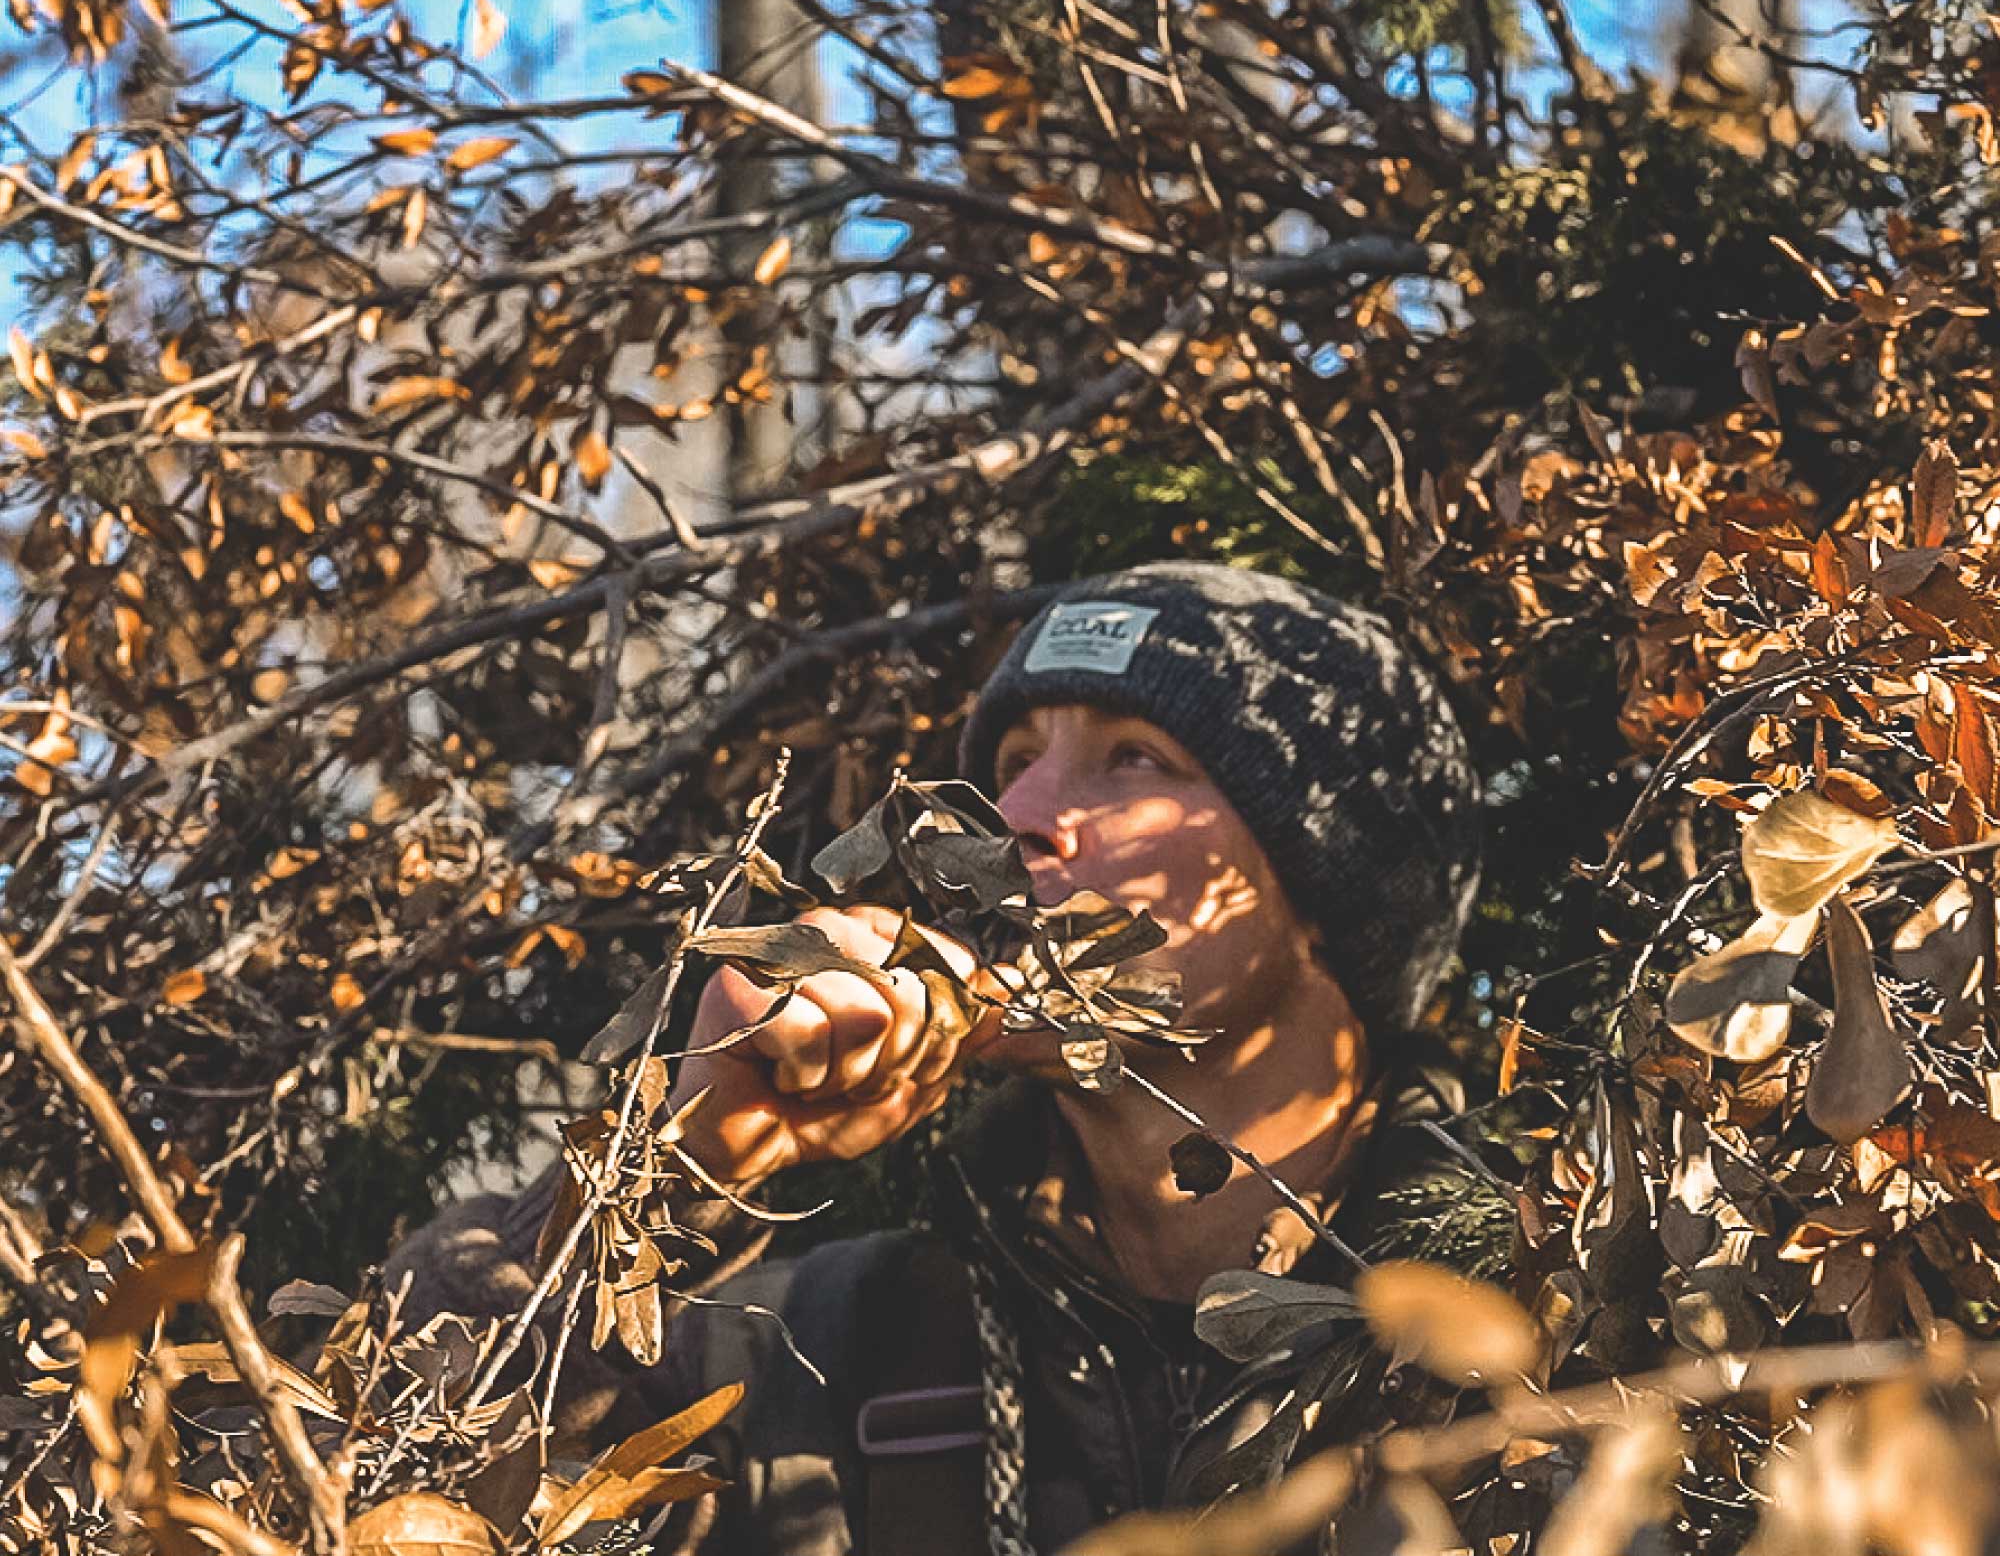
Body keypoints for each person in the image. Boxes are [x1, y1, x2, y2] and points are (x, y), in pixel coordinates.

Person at [385, 562, 1493, 1555]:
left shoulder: (1559, 1323)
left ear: (1329, 900)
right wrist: (675, 1166)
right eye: (1015, 762)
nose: (1013, 814)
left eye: (1131, 759)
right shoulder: (823, 1348)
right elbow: (380, 1489)